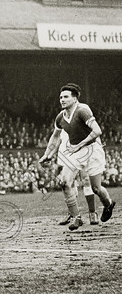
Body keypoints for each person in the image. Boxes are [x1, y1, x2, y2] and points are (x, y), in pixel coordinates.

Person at [39, 83, 115, 230]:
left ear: (75, 99)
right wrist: (47, 154)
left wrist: (79, 145)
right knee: (64, 182)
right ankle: (76, 217)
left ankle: (109, 204)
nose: (62, 99)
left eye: (66, 97)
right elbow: (55, 137)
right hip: (76, 153)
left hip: (92, 150)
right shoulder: (60, 117)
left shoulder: (82, 110)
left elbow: (97, 131)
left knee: (96, 188)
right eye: (61, 97)